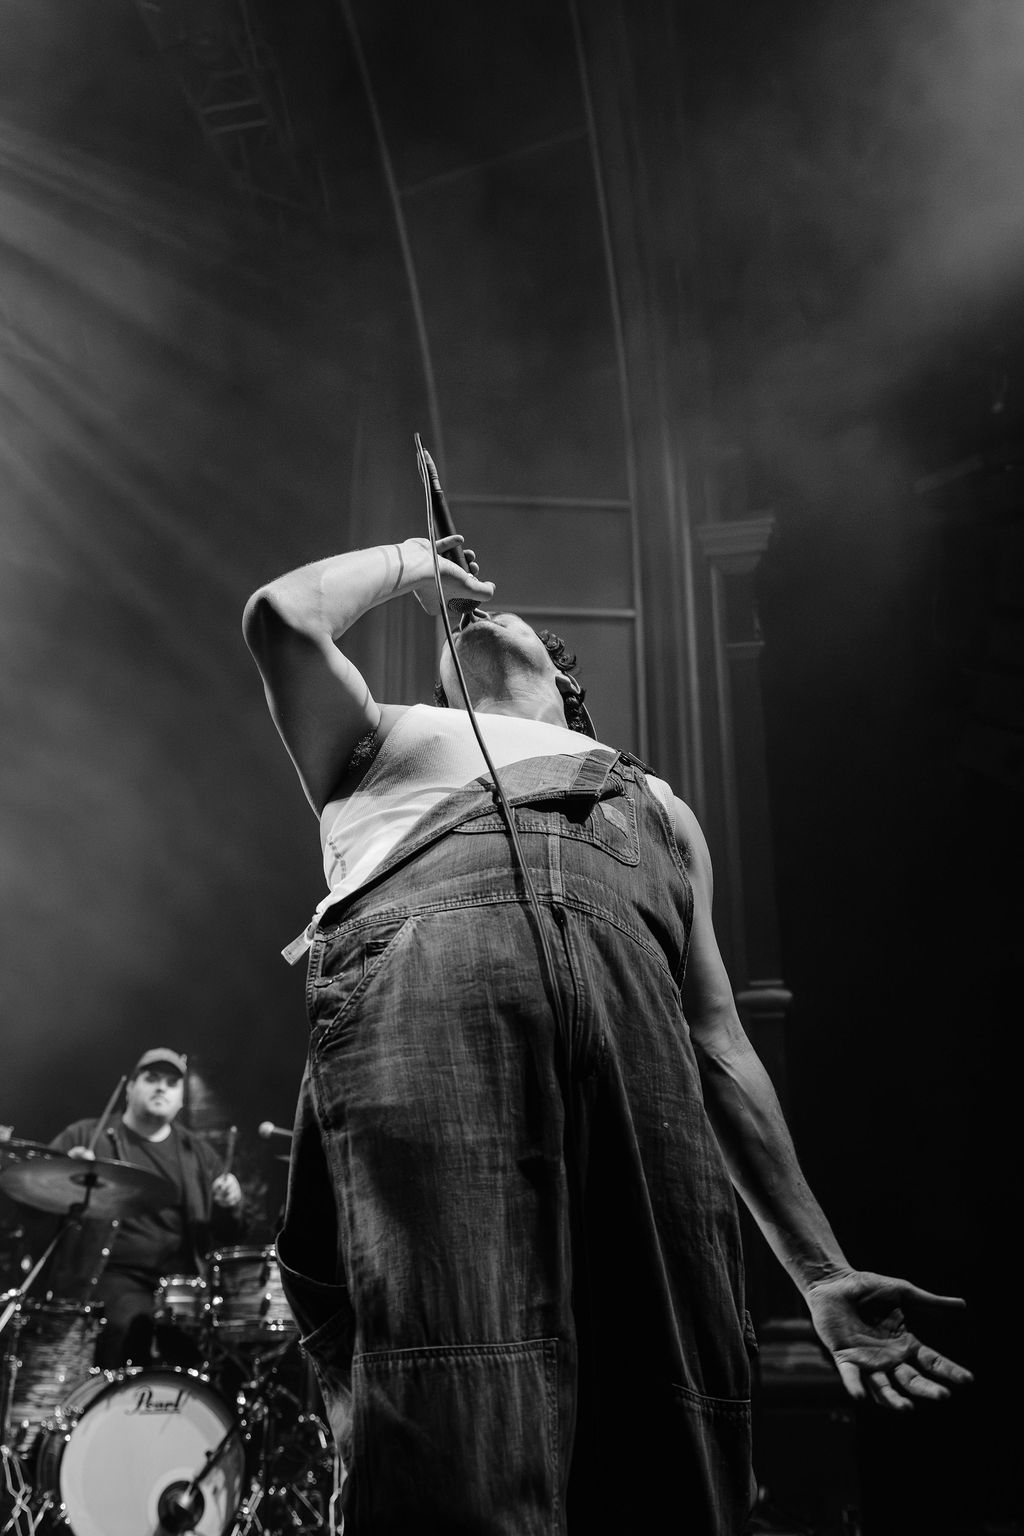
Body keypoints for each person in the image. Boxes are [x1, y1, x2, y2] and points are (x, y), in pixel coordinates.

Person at [242, 534, 972, 1535]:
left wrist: (821, 1272)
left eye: (502, 617)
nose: (476, 619)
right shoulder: (380, 737)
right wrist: (416, 561)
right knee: (451, 1390)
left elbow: (718, 1044)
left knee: (664, 1405)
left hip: (641, 1065)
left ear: (569, 686)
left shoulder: (659, 806)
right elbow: (283, 617)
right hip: (427, 1017)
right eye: (458, 628)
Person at [48, 1047, 244, 1369]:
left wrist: (230, 1205)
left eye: (171, 1083)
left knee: (212, 1353)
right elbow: (31, 1198)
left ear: (181, 1099)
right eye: (151, 1078)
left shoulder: (198, 1153)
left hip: (181, 1286)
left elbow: (229, 1235)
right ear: (129, 1088)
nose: (161, 1087)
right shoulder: (85, 1136)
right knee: (129, 1325)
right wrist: (65, 1177)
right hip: (109, 1277)